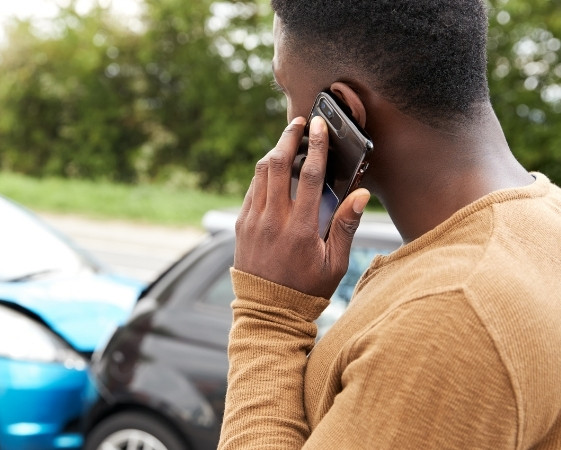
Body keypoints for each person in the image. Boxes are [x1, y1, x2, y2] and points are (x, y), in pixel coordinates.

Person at [218, 0, 561, 449]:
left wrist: (270, 314)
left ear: (342, 110)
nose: (288, 117)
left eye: (286, 90)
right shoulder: (545, 215)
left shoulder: (452, 313)